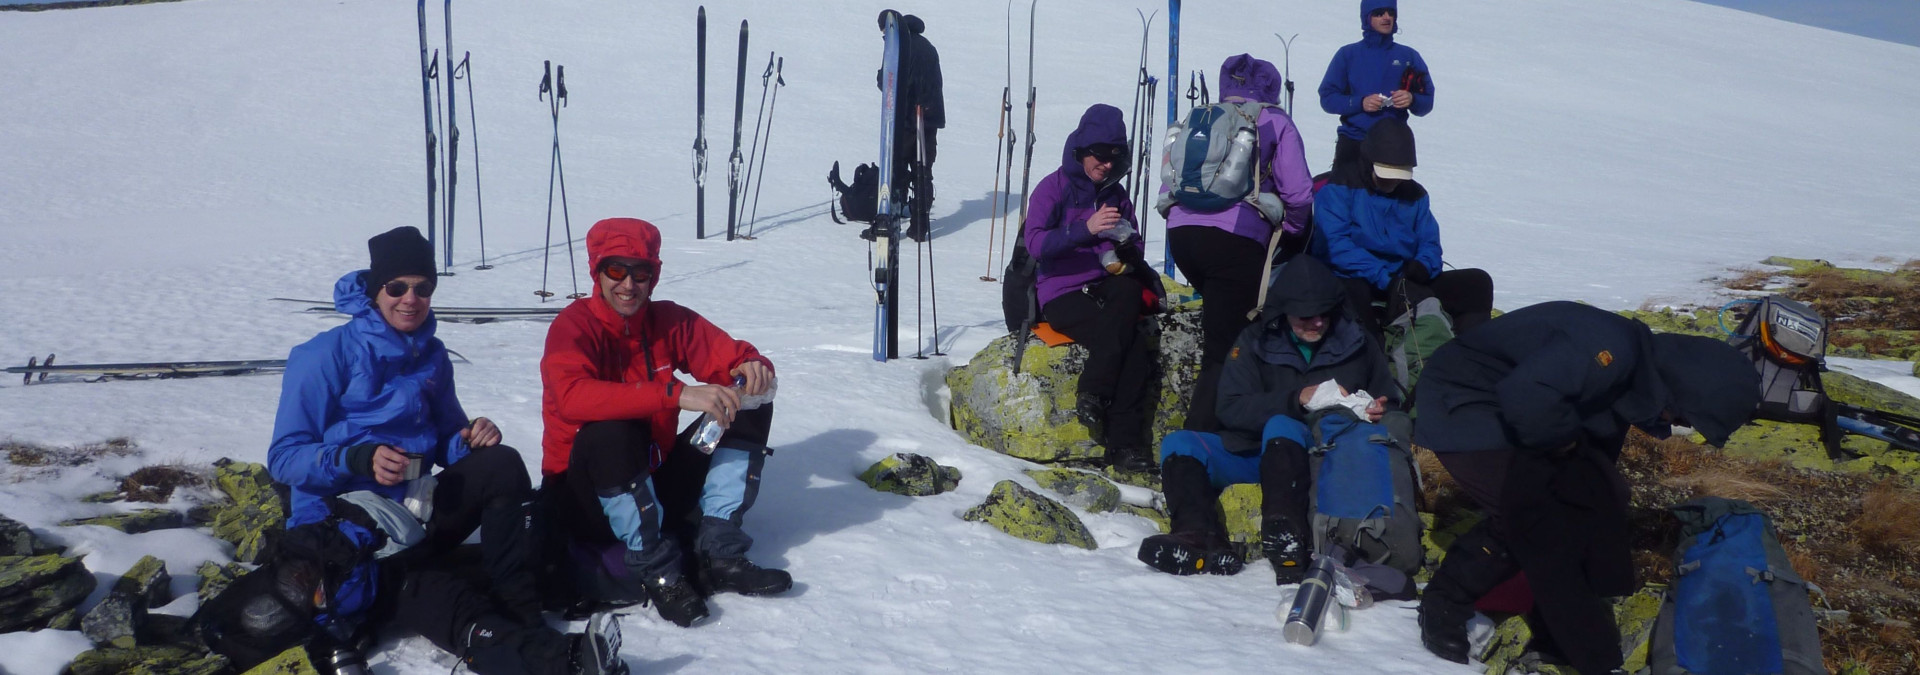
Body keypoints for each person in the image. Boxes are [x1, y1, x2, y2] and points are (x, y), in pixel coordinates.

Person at [265, 226, 625, 675]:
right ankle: (552, 659)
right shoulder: (323, 355)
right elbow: (283, 457)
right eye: (397, 287)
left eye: (423, 288)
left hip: (414, 511)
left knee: (503, 463)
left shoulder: (431, 355)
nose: (410, 299)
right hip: (350, 532)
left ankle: (522, 609)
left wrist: (469, 438)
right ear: (376, 290)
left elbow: (445, 441)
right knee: (432, 593)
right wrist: (356, 458)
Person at [1413, 302, 1760, 674]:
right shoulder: (1607, 350)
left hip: (1521, 409)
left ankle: (1561, 618)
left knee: (1597, 498)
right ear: (1680, 388)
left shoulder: (1635, 375)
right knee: (1531, 513)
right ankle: (1445, 600)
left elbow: (1594, 459)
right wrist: (1560, 452)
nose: (1676, 424)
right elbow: (1527, 393)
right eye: (1682, 415)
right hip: (1463, 401)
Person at [539, 217, 791, 630]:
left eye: (642, 273)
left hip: (653, 483)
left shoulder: (666, 321)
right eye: (616, 270)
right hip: (584, 499)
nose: (629, 284)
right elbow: (572, 397)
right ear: (597, 273)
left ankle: (720, 550)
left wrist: (752, 366)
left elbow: (733, 355)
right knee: (610, 430)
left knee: (748, 399)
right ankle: (659, 572)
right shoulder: (573, 327)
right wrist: (677, 394)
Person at [1138, 256, 1399, 582]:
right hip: (1259, 452)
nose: (1317, 322)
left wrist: (1380, 409)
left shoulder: (1359, 343)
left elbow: (1392, 403)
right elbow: (1230, 408)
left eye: (1323, 313)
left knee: (1283, 423)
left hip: (1325, 457)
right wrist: (1297, 398)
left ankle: (1287, 535)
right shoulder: (1253, 341)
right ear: (1284, 310)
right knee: (1181, 442)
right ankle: (1199, 538)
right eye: (1305, 315)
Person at [1164, 54, 1316, 433]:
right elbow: (1298, 194)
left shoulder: (1201, 117)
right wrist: (1292, 234)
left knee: (1228, 327)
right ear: (1272, 87)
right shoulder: (1274, 120)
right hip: (1234, 240)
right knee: (1225, 351)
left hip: (1181, 236)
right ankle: (1198, 445)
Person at [1023, 104, 1158, 475]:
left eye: (1115, 156)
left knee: (1128, 297)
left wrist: (1128, 245)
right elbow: (1034, 244)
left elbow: (1136, 246)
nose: (1107, 164)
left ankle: (1096, 397)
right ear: (1081, 150)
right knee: (1129, 345)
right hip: (1061, 291)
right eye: (1100, 155)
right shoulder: (1052, 188)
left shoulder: (1117, 194)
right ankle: (1125, 445)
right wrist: (1087, 229)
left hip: (1107, 284)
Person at [1311, 116, 1492, 341]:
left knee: (1477, 284)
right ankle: (1376, 362)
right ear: (1369, 164)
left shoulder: (1415, 195)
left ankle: (1468, 354)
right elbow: (1335, 246)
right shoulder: (1338, 188)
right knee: (1351, 295)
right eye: (1386, 176)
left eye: (1398, 177)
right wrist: (1387, 280)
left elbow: (1430, 242)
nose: (1392, 183)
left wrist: (1422, 268)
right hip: (1355, 277)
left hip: (1404, 279)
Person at [1318, 0, 1433, 176]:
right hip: (1354, 142)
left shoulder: (1409, 56)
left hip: (1395, 145)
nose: (1386, 17)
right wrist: (1360, 103)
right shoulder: (1348, 55)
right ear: (1367, 17)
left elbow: (1427, 101)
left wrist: (1412, 99)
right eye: (1379, 13)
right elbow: (1327, 98)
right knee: (1347, 201)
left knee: (1393, 203)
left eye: (1390, 12)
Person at [868, 8, 945, 242]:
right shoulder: (928, 46)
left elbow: (889, 82)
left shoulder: (898, 46)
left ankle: (889, 226)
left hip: (905, 120)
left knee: (896, 171)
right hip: (928, 119)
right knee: (923, 172)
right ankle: (919, 227)